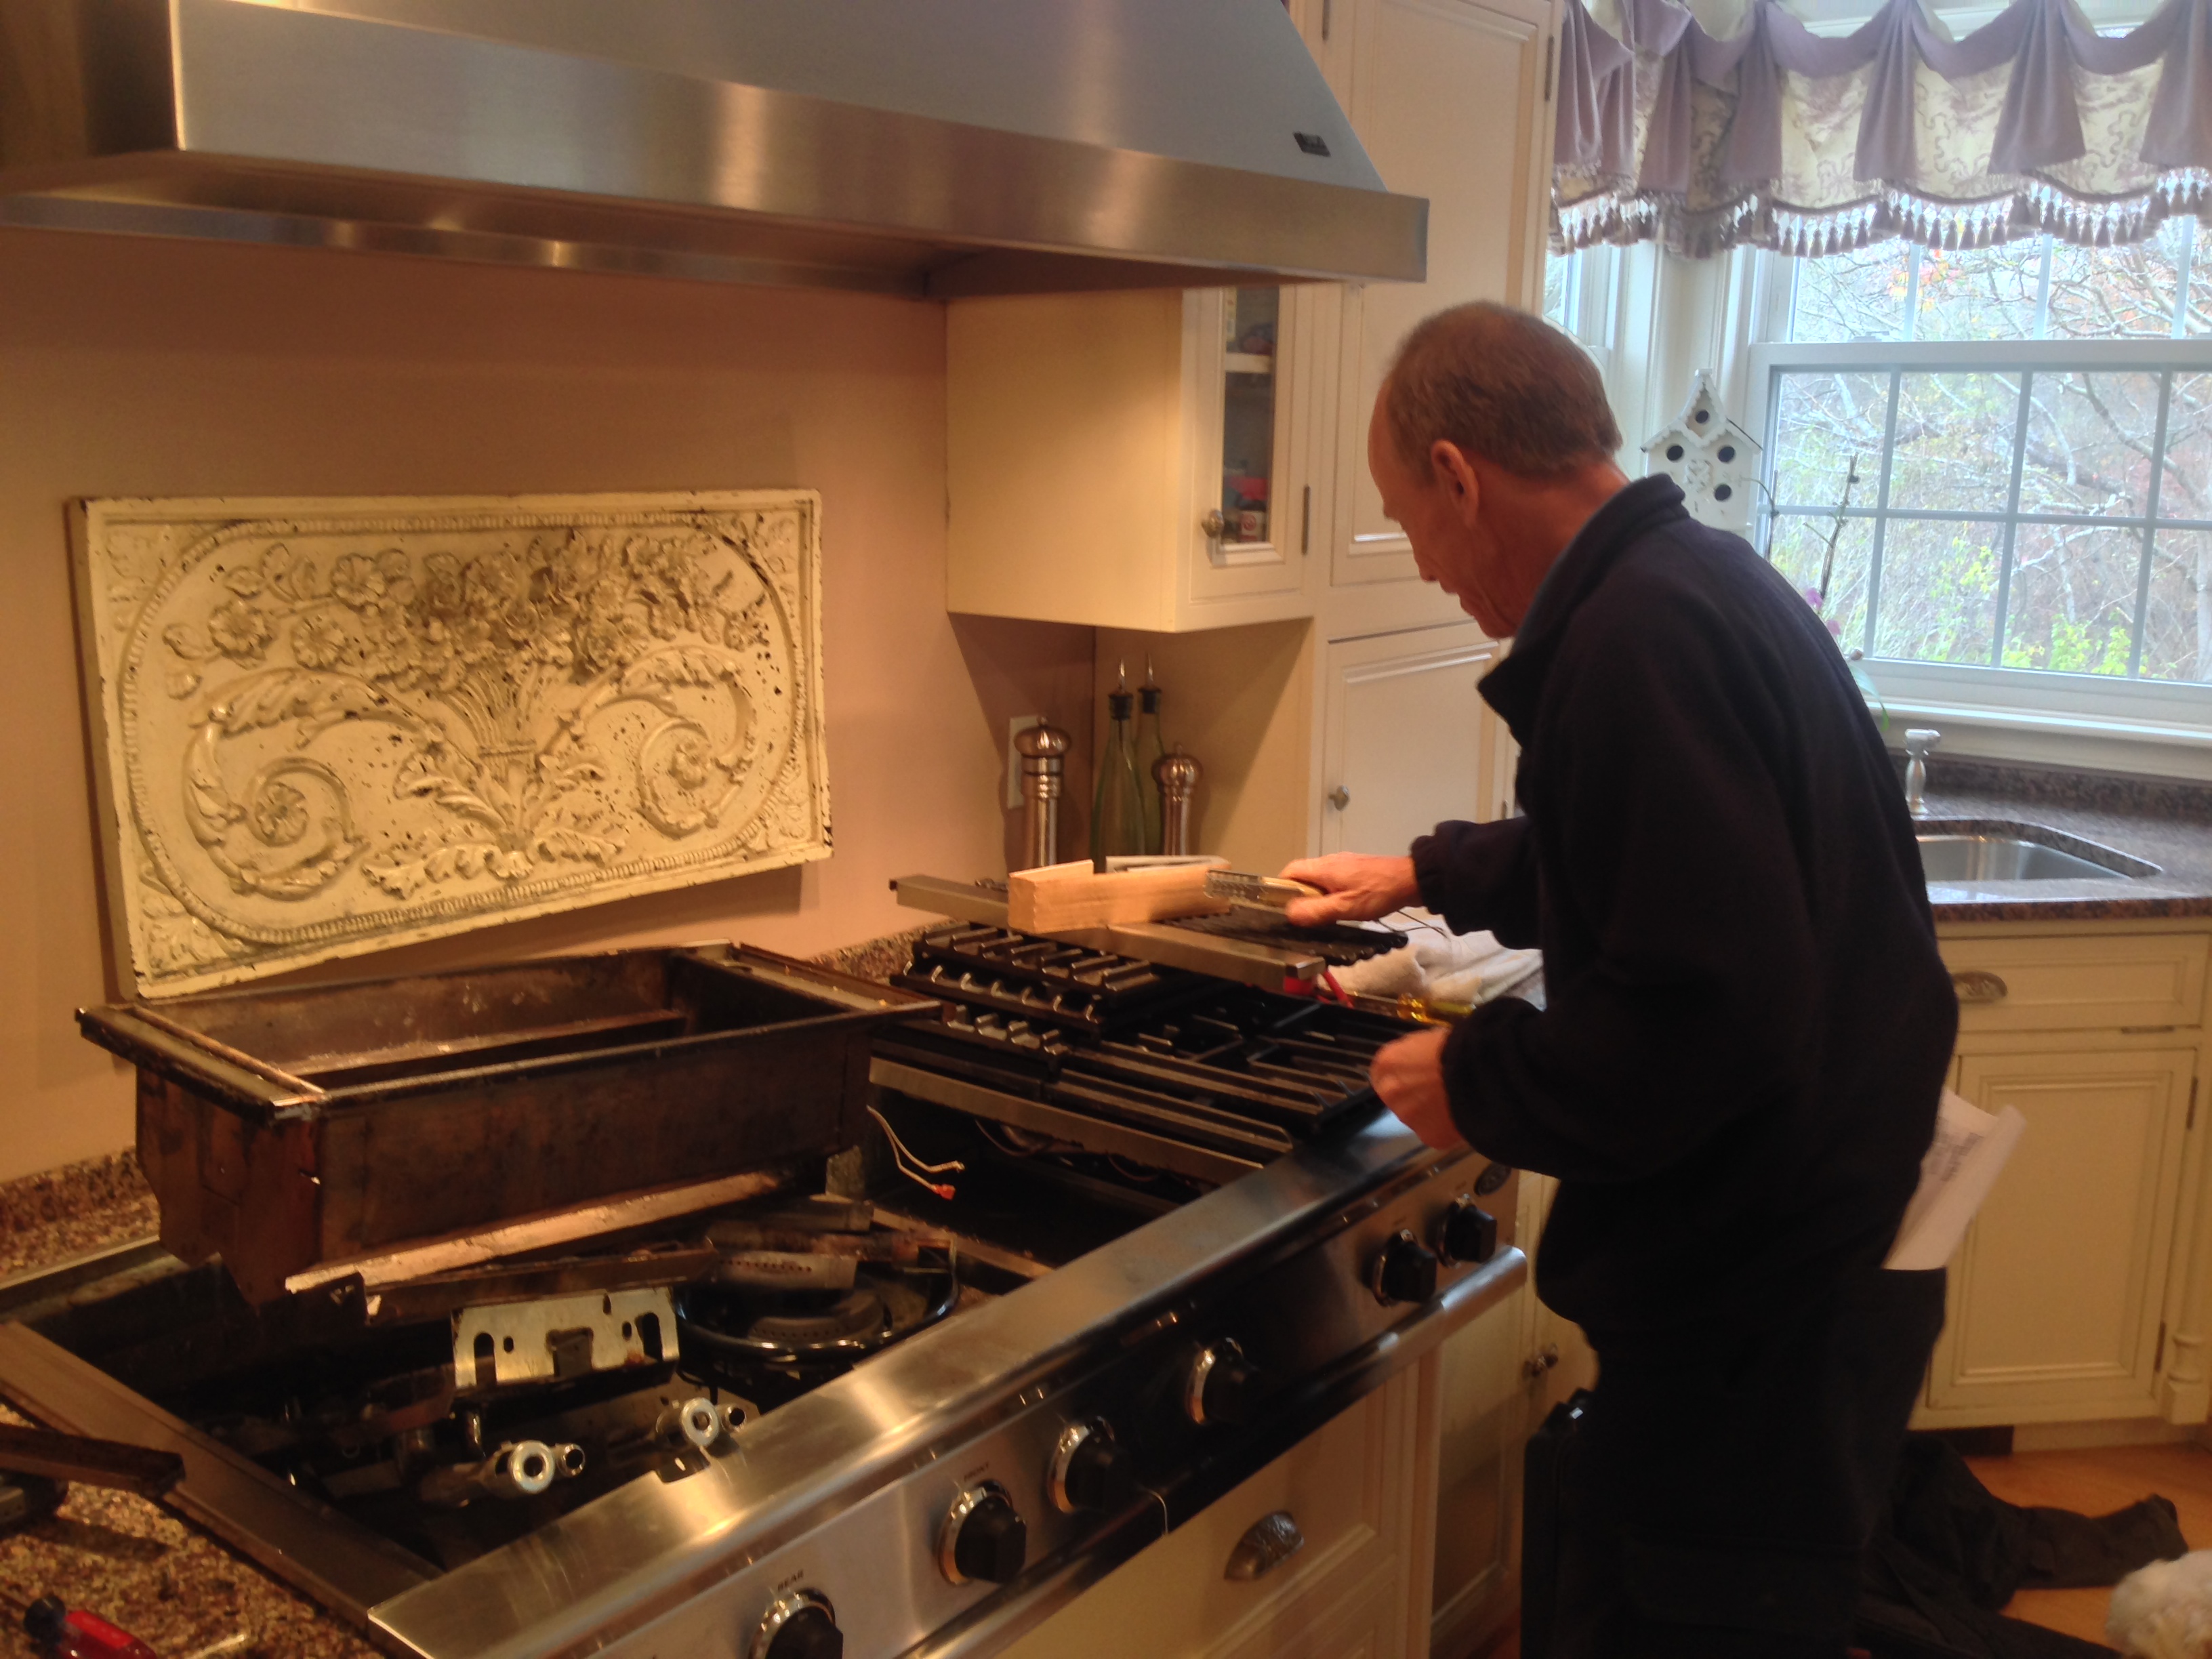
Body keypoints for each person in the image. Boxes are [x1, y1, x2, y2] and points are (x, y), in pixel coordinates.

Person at [1282, 302, 1957, 1659]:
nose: (1426, 568)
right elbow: (1651, 854)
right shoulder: (1695, 580)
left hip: (1756, 1311)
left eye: (1411, 524)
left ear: (1460, 477)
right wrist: (1425, 871)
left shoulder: (1633, 642)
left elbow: (1706, 1017)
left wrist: (1474, 1078)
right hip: (1814, 1267)